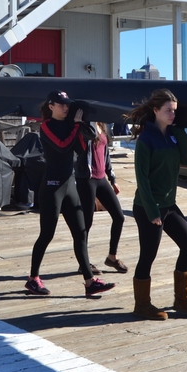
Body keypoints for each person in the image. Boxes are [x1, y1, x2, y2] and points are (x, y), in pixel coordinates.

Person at [128, 89, 187, 320]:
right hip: (147, 206)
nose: (172, 114)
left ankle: (183, 300)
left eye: (174, 111)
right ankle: (142, 304)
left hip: (169, 204)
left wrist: (180, 130)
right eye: (168, 111)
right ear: (155, 111)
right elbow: (141, 179)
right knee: (148, 255)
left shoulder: (173, 134)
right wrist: (153, 210)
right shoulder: (146, 139)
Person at [25, 91, 115, 297]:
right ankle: (33, 279)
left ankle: (90, 282)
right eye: (61, 105)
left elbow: (80, 149)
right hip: (52, 186)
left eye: (67, 105)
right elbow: (63, 146)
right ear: (51, 106)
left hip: (69, 185)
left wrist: (83, 126)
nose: (65, 108)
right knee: (47, 234)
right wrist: (75, 126)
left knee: (81, 234)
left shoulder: (69, 125)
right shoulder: (46, 126)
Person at [75, 121, 127, 275]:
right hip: (86, 179)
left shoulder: (102, 125)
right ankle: (83, 264)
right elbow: (85, 141)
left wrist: (113, 179)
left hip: (101, 179)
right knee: (86, 223)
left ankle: (112, 257)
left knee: (119, 217)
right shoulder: (83, 126)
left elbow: (106, 153)